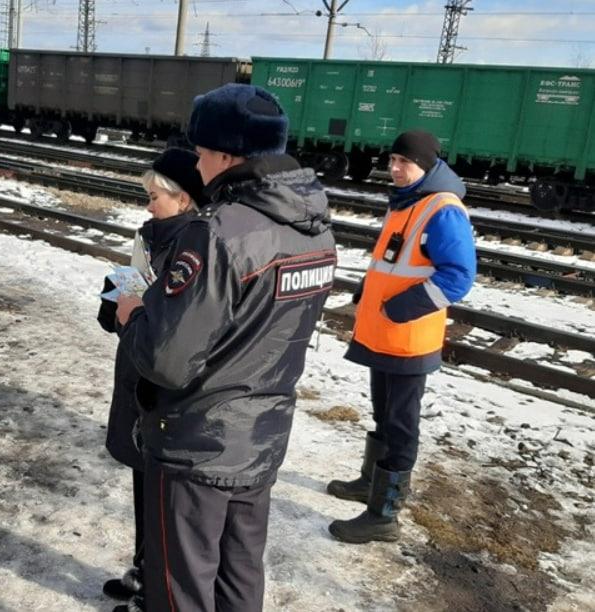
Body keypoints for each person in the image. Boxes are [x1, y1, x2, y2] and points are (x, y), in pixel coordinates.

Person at [116, 83, 336, 612]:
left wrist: (136, 315)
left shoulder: (218, 235)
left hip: (197, 440)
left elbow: (169, 361)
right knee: (240, 574)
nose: (197, 162)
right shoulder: (316, 230)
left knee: (181, 587)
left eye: (199, 151)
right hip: (262, 432)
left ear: (222, 153)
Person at [327, 129, 476, 544]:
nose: (393, 169)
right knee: (383, 414)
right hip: (385, 335)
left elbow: (459, 277)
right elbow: (397, 261)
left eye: (402, 162)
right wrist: (368, 292)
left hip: (408, 337)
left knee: (401, 424)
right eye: (391, 160)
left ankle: (383, 515)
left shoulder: (442, 210)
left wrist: (400, 307)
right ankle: (369, 482)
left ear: (425, 166)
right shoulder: (408, 202)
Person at [97, 148, 207, 612]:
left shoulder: (192, 248)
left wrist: (134, 310)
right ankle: (144, 569)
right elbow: (124, 311)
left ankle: (158, 592)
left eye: (154, 196)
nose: (147, 205)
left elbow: (173, 330)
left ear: (183, 200)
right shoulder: (151, 238)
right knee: (145, 483)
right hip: (137, 377)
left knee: (163, 497)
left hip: (162, 389)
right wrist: (114, 298)